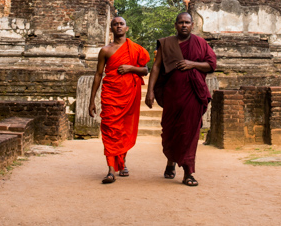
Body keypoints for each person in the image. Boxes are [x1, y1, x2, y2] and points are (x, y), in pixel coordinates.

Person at [145, 12, 217, 187]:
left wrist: (192, 64)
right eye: (181, 22)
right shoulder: (166, 43)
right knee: (171, 131)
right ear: (175, 25)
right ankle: (171, 161)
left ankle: (188, 172)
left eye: (187, 22)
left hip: (193, 94)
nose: (184, 25)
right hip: (172, 94)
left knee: (189, 133)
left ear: (192, 25)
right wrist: (150, 91)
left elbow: (211, 64)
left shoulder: (200, 43)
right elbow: (156, 67)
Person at [88, 16, 150, 184]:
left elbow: (145, 70)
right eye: (115, 24)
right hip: (110, 94)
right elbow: (98, 74)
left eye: (121, 24)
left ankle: (122, 162)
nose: (118, 26)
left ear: (126, 28)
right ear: (111, 29)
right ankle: (110, 170)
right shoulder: (105, 50)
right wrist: (92, 100)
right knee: (110, 129)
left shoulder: (136, 49)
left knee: (124, 130)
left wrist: (130, 68)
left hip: (129, 95)